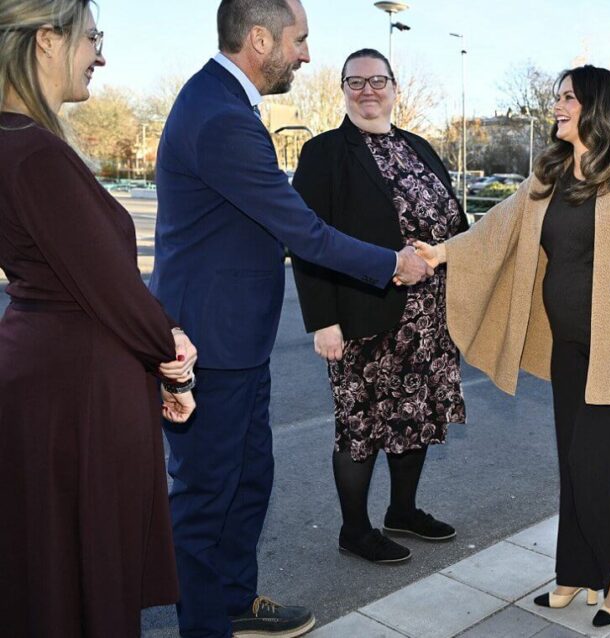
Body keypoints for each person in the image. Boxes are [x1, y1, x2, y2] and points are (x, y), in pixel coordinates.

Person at [148, 1, 431, 636]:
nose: (305, 54)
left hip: (238, 342)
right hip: (209, 345)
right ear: (259, 38)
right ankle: (206, 624)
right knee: (204, 498)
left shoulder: (226, 103)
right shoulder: (218, 114)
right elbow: (300, 228)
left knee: (249, 482)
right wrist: (392, 263)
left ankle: (234, 601)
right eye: (299, 40)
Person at [415, 65, 610, 628]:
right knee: (571, 465)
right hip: (567, 346)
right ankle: (574, 571)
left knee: (591, 464)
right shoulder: (546, 176)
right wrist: (441, 253)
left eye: (568, 97)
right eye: (557, 96)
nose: (557, 105)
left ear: (595, 107)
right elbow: (497, 229)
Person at [0, 1, 198, 636]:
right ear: (47, 40)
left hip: (46, 383)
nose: (101, 54)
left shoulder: (15, 144)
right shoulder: (35, 154)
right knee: (87, 579)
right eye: (92, 38)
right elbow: (112, 288)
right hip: (78, 396)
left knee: (49, 574)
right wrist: (174, 360)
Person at [290, 48, 468, 564]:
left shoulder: (419, 146)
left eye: (378, 80)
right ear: (342, 89)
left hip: (430, 316)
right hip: (363, 314)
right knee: (361, 423)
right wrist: (323, 320)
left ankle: (403, 511)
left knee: (416, 414)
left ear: (395, 88)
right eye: (356, 81)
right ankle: (354, 529)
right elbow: (308, 240)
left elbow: (453, 223)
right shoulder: (325, 153)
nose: (368, 90)